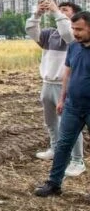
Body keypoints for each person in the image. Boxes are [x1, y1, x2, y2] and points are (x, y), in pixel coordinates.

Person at [26, 0, 84, 176]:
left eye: (65, 9)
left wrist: (57, 13)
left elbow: (67, 32)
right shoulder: (50, 34)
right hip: (47, 83)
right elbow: (31, 31)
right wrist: (37, 13)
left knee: (70, 125)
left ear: (75, 16)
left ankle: (77, 160)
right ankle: (55, 148)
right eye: (60, 9)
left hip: (64, 85)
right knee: (50, 122)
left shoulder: (75, 35)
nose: (59, 11)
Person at [35, 11, 90, 197]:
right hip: (72, 106)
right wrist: (61, 99)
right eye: (73, 28)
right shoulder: (74, 47)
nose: (75, 33)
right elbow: (67, 74)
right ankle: (54, 184)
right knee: (63, 145)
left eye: (80, 29)